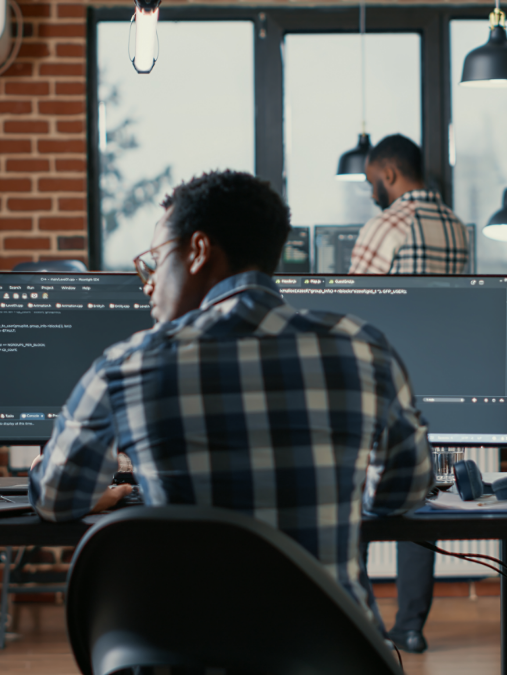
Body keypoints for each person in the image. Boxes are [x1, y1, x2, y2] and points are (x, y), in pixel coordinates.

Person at [29, 169, 434, 633]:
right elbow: (404, 491)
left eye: (156, 261)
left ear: (199, 251)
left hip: (188, 652)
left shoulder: (128, 366)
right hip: (334, 652)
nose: (148, 283)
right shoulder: (365, 349)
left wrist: (106, 492)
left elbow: (55, 499)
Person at [348, 134, 470, 654]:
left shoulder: (385, 225)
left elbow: (352, 309)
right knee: (421, 495)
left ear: (390, 174)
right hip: (441, 377)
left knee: (359, 493)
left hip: (385, 382)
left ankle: (362, 623)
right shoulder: (458, 227)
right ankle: (412, 625)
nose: (372, 189)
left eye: (374, 180)